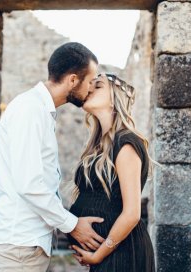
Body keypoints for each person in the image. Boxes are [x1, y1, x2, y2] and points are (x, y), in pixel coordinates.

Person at [0, 42, 105, 271]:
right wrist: (72, 225)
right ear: (72, 80)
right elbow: (29, 184)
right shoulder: (29, 110)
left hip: (26, 246)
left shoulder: (40, 110)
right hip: (18, 248)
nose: (90, 89)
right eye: (90, 81)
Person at [68, 73, 155, 271]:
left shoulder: (126, 144)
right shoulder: (97, 147)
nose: (89, 89)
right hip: (108, 255)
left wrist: (98, 255)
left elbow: (132, 214)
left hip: (123, 253)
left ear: (114, 100)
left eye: (97, 85)